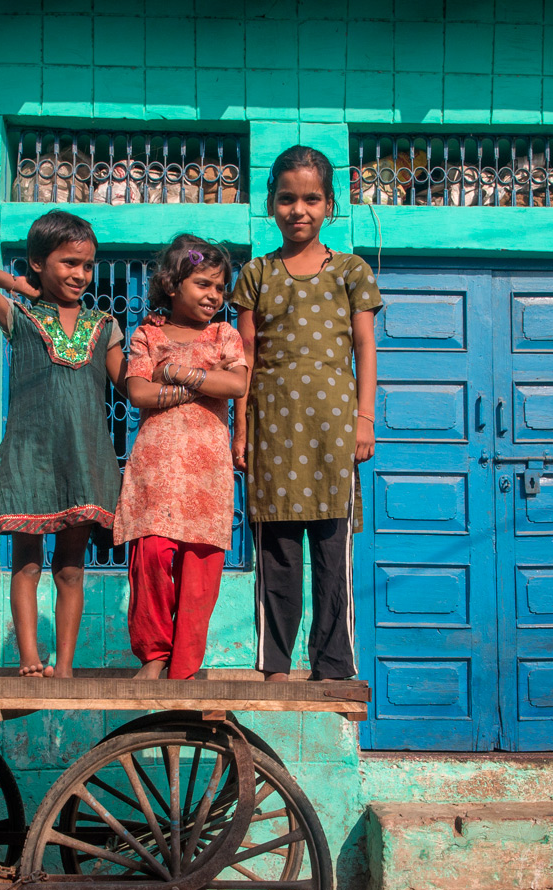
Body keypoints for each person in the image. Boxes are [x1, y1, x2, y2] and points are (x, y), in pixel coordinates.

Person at [230, 146, 383, 682]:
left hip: (332, 430)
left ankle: (332, 664)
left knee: (331, 551)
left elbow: (365, 347)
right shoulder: (256, 274)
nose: (299, 209)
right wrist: (241, 429)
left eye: (311, 198)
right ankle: (274, 663)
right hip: (272, 428)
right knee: (276, 553)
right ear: (271, 204)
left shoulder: (350, 271)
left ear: (330, 205)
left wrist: (365, 419)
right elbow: (244, 357)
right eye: (287, 198)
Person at [0, 210, 125, 678]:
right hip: (30, 455)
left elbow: (128, 385)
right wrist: (22, 286)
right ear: (37, 261)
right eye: (69, 263)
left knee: (71, 567)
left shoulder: (104, 324)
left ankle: (67, 665)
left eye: (88, 266)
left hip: (84, 455)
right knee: (28, 564)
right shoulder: (21, 317)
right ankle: (30, 660)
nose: (80, 275)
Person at [115, 235, 248, 679]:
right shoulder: (147, 334)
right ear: (173, 284)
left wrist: (174, 372)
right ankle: (154, 655)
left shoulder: (224, 335)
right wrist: (201, 382)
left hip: (207, 468)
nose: (214, 296)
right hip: (156, 465)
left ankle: (184, 668)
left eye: (220, 288)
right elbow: (137, 392)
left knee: (200, 572)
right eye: (203, 285)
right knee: (151, 553)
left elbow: (236, 386)